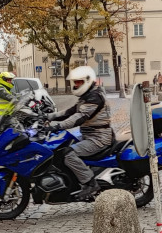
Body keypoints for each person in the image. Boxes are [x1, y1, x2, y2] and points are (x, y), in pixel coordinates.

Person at [46, 65, 112, 201]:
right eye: (75, 82)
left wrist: (57, 126)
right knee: (61, 145)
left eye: (79, 82)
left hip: (98, 137)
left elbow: (79, 117)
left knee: (68, 154)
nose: (76, 85)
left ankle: (90, 184)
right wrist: (48, 117)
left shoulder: (95, 97)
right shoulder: (86, 96)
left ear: (87, 81)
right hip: (88, 135)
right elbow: (69, 112)